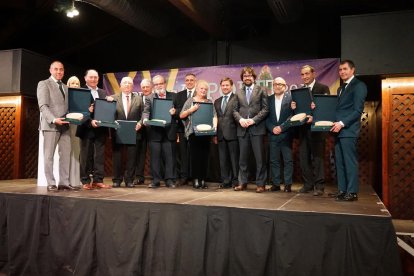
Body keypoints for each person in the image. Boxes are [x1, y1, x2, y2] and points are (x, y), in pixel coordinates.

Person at [330, 60, 367, 201]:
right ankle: (342, 190)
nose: (342, 72)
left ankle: (352, 192)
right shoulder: (340, 89)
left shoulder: (359, 85)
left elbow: (358, 111)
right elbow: (338, 109)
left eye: (345, 69)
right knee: (340, 162)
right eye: (340, 70)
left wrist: (342, 123)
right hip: (338, 131)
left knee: (349, 162)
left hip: (348, 130)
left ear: (352, 70)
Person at [37, 61, 76, 191]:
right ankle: (51, 183)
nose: (59, 72)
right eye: (56, 69)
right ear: (50, 70)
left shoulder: (66, 87)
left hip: (65, 125)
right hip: (51, 125)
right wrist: (54, 119)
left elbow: (70, 107)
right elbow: (43, 106)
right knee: (48, 156)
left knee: (65, 155)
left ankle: (64, 182)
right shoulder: (44, 84)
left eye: (61, 69)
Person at [294, 65, 331, 196]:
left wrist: (314, 115)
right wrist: (294, 107)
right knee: (304, 158)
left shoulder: (322, 88)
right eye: (302, 74)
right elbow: (299, 112)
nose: (304, 77)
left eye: (307, 74)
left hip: (317, 129)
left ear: (313, 73)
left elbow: (326, 108)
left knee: (317, 158)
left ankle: (319, 186)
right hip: (303, 129)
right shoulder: (300, 91)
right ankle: (308, 184)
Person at [233, 66, 269, 193]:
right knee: (242, 159)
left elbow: (265, 109)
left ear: (254, 77)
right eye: (244, 76)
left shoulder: (262, 90)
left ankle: (260, 184)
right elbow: (234, 110)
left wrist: (253, 120)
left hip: (257, 128)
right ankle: (242, 182)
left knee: (260, 159)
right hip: (242, 129)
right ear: (242, 78)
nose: (247, 78)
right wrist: (241, 120)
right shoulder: (238, 92)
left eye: (249, 75)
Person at [76, 69, 112, 190]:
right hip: (86, 127)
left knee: (99, 156)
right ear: (85, 78)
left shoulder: (103, 92)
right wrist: (90, 120)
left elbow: (106, 110)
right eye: (91, 77)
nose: (93, 79)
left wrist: (110, 102)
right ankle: (85, 180)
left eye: (95, 77)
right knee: (86, 156)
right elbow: (78, 111)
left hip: (101, 128)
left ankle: (98, 180)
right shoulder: (80, 91)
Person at [141, 75, 177, 188]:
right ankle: (156, 180)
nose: (158, 86)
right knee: (155, 157)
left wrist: (175, 111)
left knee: (169, 157)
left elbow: (180, 111)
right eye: (156, 84)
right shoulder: (149, 97)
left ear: (165, 84)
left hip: (169, 131)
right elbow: (146, 111)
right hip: (155, 132)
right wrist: (145, 119)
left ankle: (169, 180)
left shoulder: (173, 96)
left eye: (160, 83)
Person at [180, 80, 217, 189]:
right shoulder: (190, 101)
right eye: (201, 88)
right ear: (197, 89)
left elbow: (214, 116)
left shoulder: (209, 101)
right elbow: (182, 115)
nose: (203, 91)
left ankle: (202, 180)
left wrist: (215, 127)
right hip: (193, 133)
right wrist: (192, 109)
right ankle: (196, 180)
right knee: (195, 157)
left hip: (206, 133)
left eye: (205, 89)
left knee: (205, 157)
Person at [109, 77, 143, 187]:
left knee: (132, 157)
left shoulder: (138, 98)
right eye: (125, 83)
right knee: (117, 156)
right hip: (118, 131)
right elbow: (108, 113)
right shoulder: (113, 98)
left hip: (134, 131)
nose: (127, 85)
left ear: (132, 86)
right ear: (120, 86)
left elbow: (144, 114)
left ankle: (129, 180)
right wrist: (112, 122)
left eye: (129, 83)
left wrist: (140, 123)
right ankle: (117, 180)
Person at [266, 77, 294, 192]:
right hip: (273, 134)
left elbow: (293, 116)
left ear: (285, 86)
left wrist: (282, 128)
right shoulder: (268, 99)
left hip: (286, 133)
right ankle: (276, 184)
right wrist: (272, 128)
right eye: (275, 84)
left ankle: (288, 184)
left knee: (288, 160)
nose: (277, 86)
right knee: (274, 160)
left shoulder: (291, 99)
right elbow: (266, 117)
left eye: (280, 84)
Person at [213, 77, 239, 188]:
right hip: (220, 134)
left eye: (227, 85)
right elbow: (216, 118)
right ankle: (225, 181)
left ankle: (236, 181)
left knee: (234, 159)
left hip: (233, 134)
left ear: (231, 86)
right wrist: (214, 134)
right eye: (223, 85)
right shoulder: (217, 101)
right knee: (223, 160)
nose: (225, 87)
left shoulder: (237, 98)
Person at [174, 73, 197, 186]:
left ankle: (194, 177)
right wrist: (180, 113)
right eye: (187, 80)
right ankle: (184, 177)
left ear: (195, 81)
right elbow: (176, 111)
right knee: (183, 154)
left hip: (195, 130)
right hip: (182, 129)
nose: (189, 82)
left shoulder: (200, 94)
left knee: (193, 154)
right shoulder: (179, 95)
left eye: (191, 80)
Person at [134, 78, 152, 185]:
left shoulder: (155, 98)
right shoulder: (137, 98)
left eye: (147, 87)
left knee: (155, 153)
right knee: (139, 154)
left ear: (151, 87)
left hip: (152, 130)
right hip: (140, 130)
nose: (145, 89)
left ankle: (157, 177)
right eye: (143, 87)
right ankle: (139, 177)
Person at [66, 76, 81, 188]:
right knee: (67, 153)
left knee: (76, 153)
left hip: (77, 127)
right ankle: (66, 180)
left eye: (77, 83)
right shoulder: (65, 96)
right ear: (68, 84)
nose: (75, 85)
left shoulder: (82, 97)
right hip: (66, 127)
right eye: (72, 83)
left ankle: (75, 180)